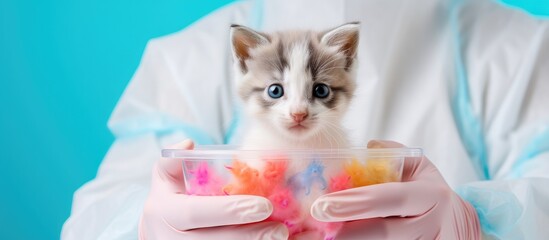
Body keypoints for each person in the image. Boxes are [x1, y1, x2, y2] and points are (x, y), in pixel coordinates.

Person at [62, 0, 549, 239]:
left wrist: (476, 226)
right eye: (277, 92)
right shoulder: (188, 59)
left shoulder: (518, 50)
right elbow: (90, 221)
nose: (296, 110)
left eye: (317, 91)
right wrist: (142, 228)